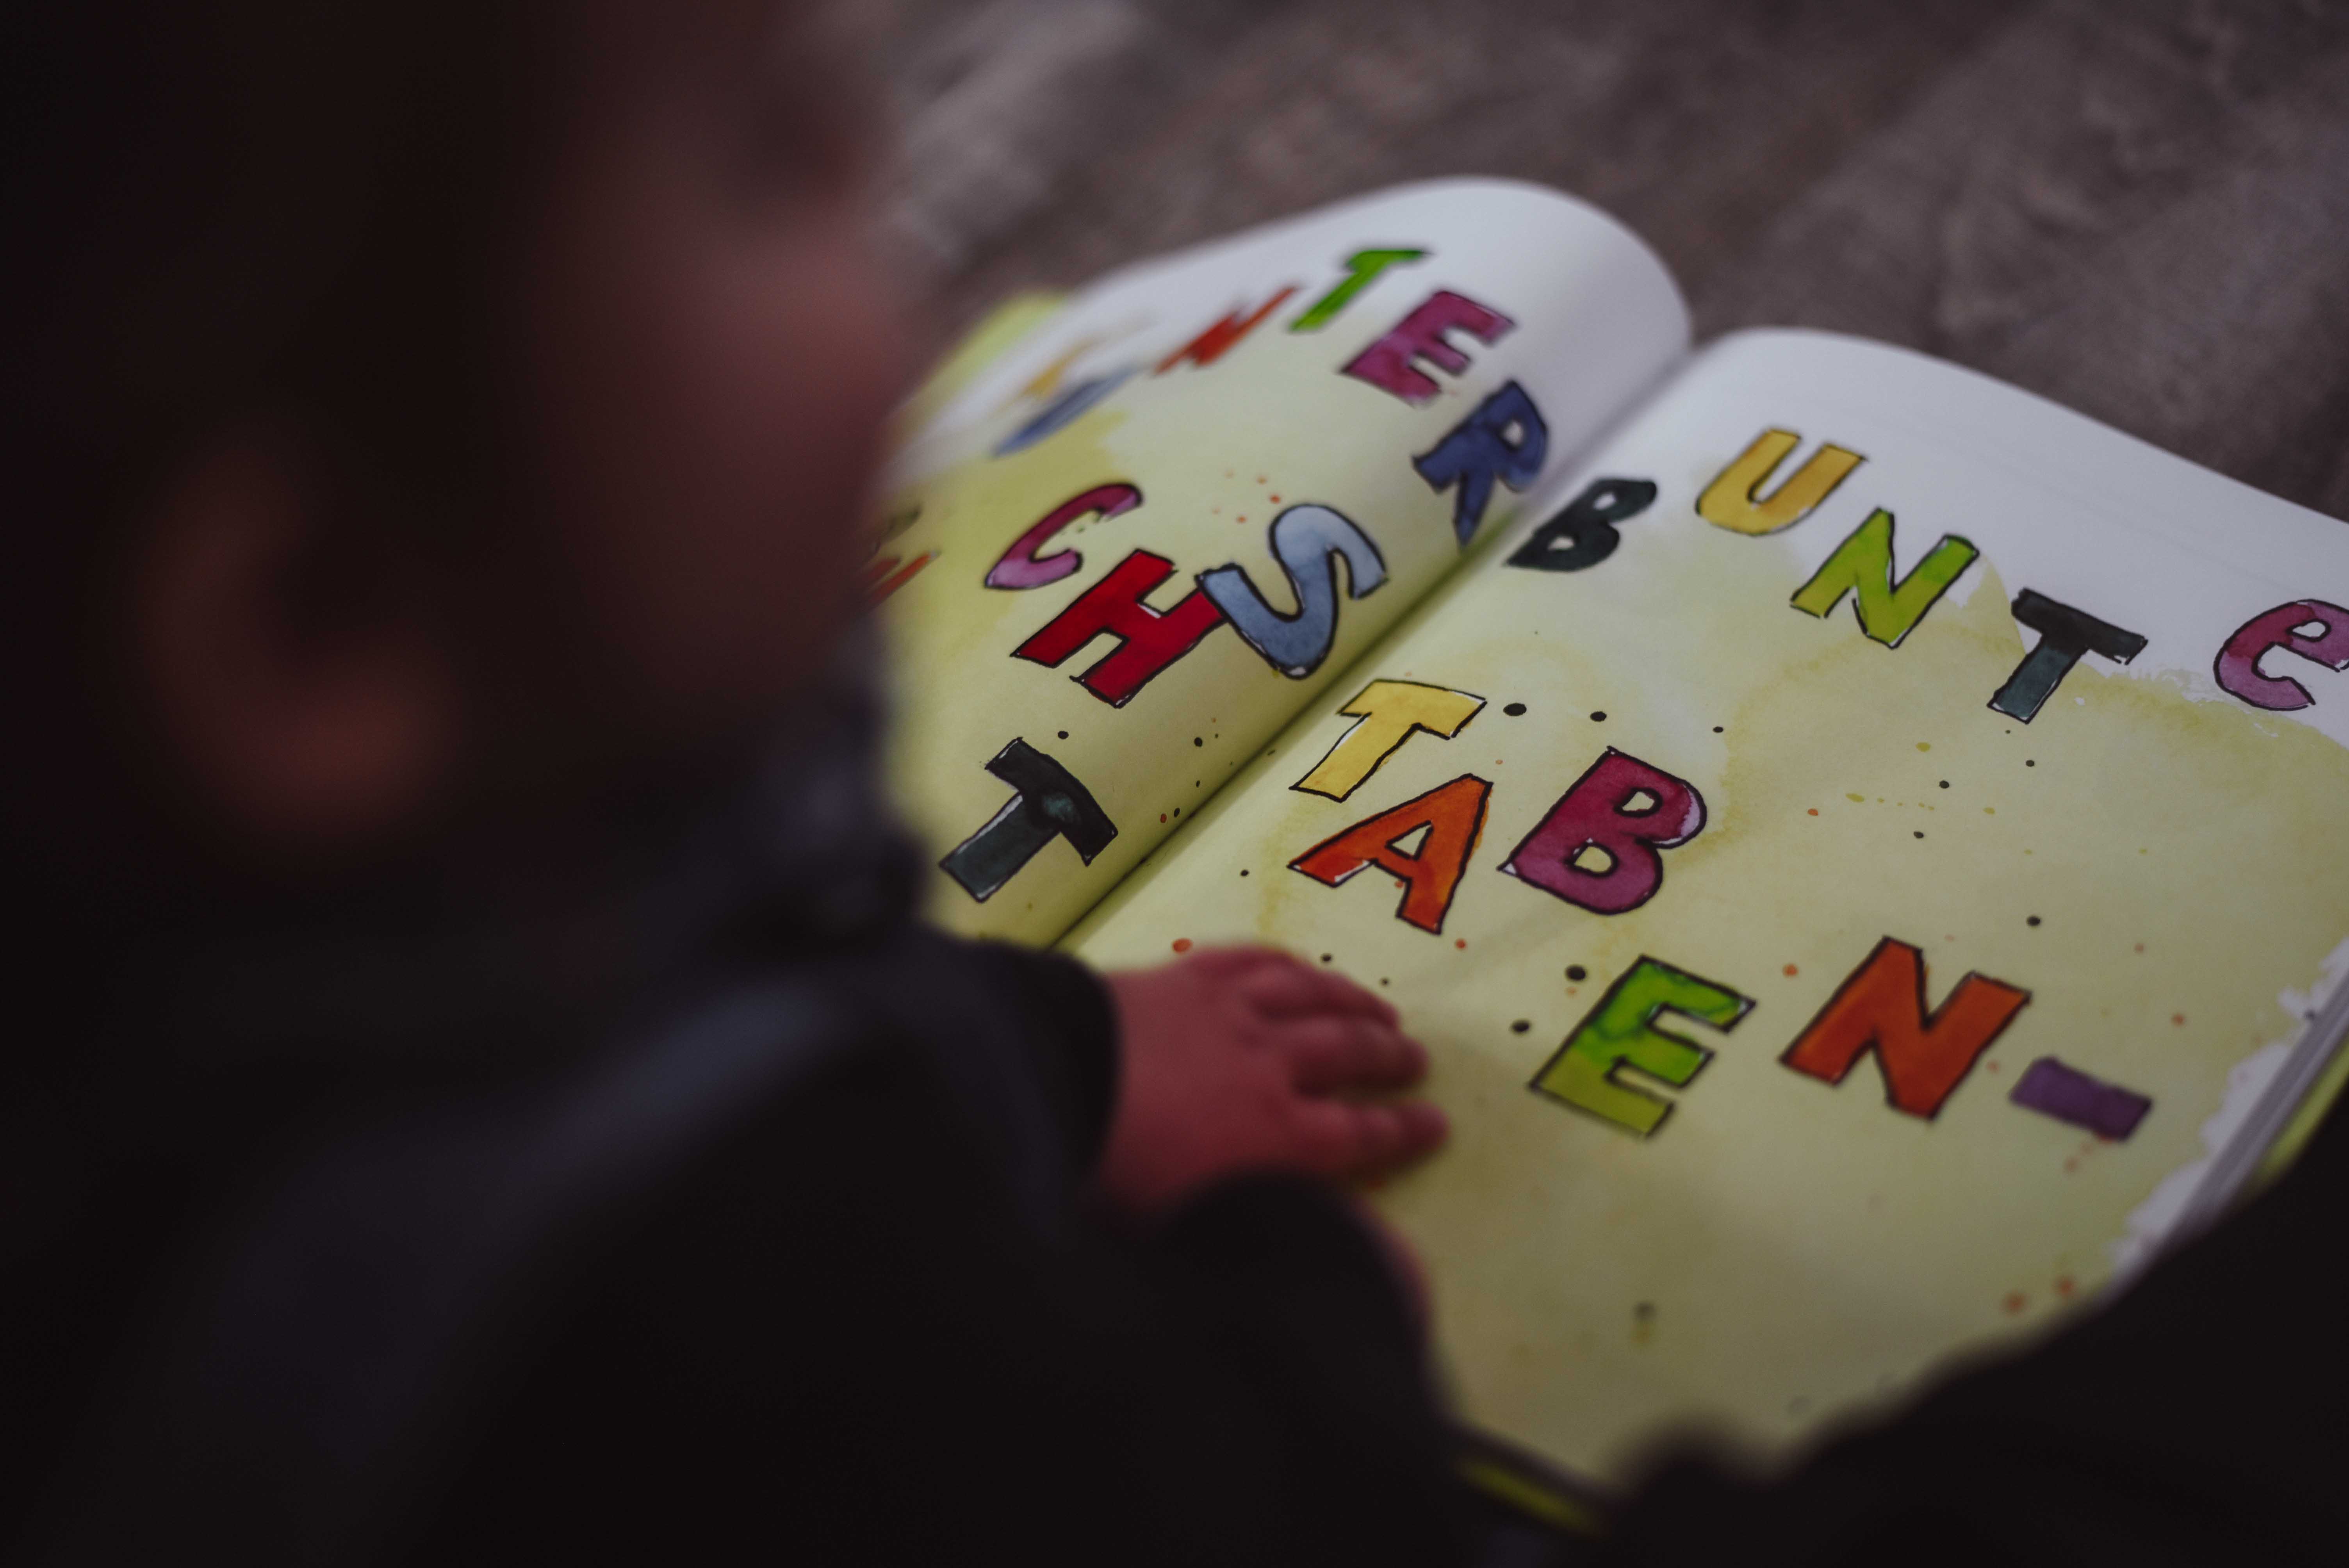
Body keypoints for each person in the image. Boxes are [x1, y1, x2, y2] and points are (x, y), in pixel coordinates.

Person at [7, 4, 2347, 1565]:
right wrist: (1274, 1283)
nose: (910, 267)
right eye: (768, 173)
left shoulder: (216, 931)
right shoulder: (801, 1353)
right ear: (312, 626)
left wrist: (1024, 1051)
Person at [1, 3, 1457, 1561]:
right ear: (321, 616)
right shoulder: (748, 1300)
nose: (882, 172)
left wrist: (1061, 1057)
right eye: (765, 163)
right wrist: (1308, 1291)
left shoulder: (252, 923)